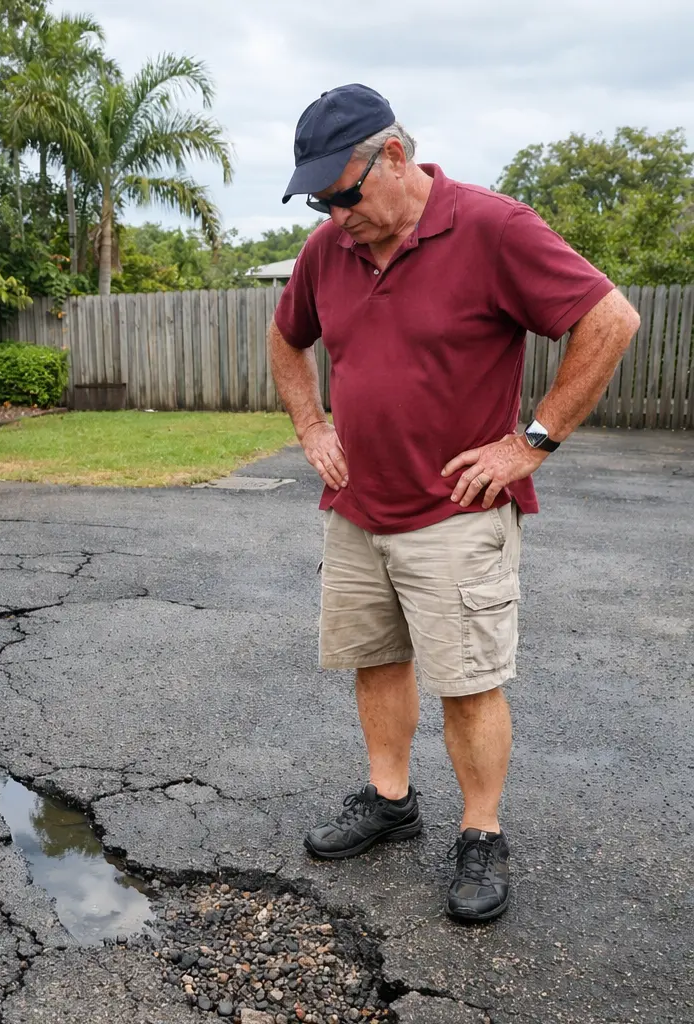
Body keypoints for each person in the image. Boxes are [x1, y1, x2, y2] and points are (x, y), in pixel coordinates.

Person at [269, 83, 639, 922]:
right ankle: (390, 799)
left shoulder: (494, 227)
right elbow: (286, 335)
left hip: (457, 513)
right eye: (320, 200)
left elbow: (612, 318)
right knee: (377, 658)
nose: (334, 215)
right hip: (359, 510)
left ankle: (481, 832)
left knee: (467, 682)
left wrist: (531, 442)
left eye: (343, 194)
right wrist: (309, 423)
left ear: (393, 156)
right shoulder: (328, 250)